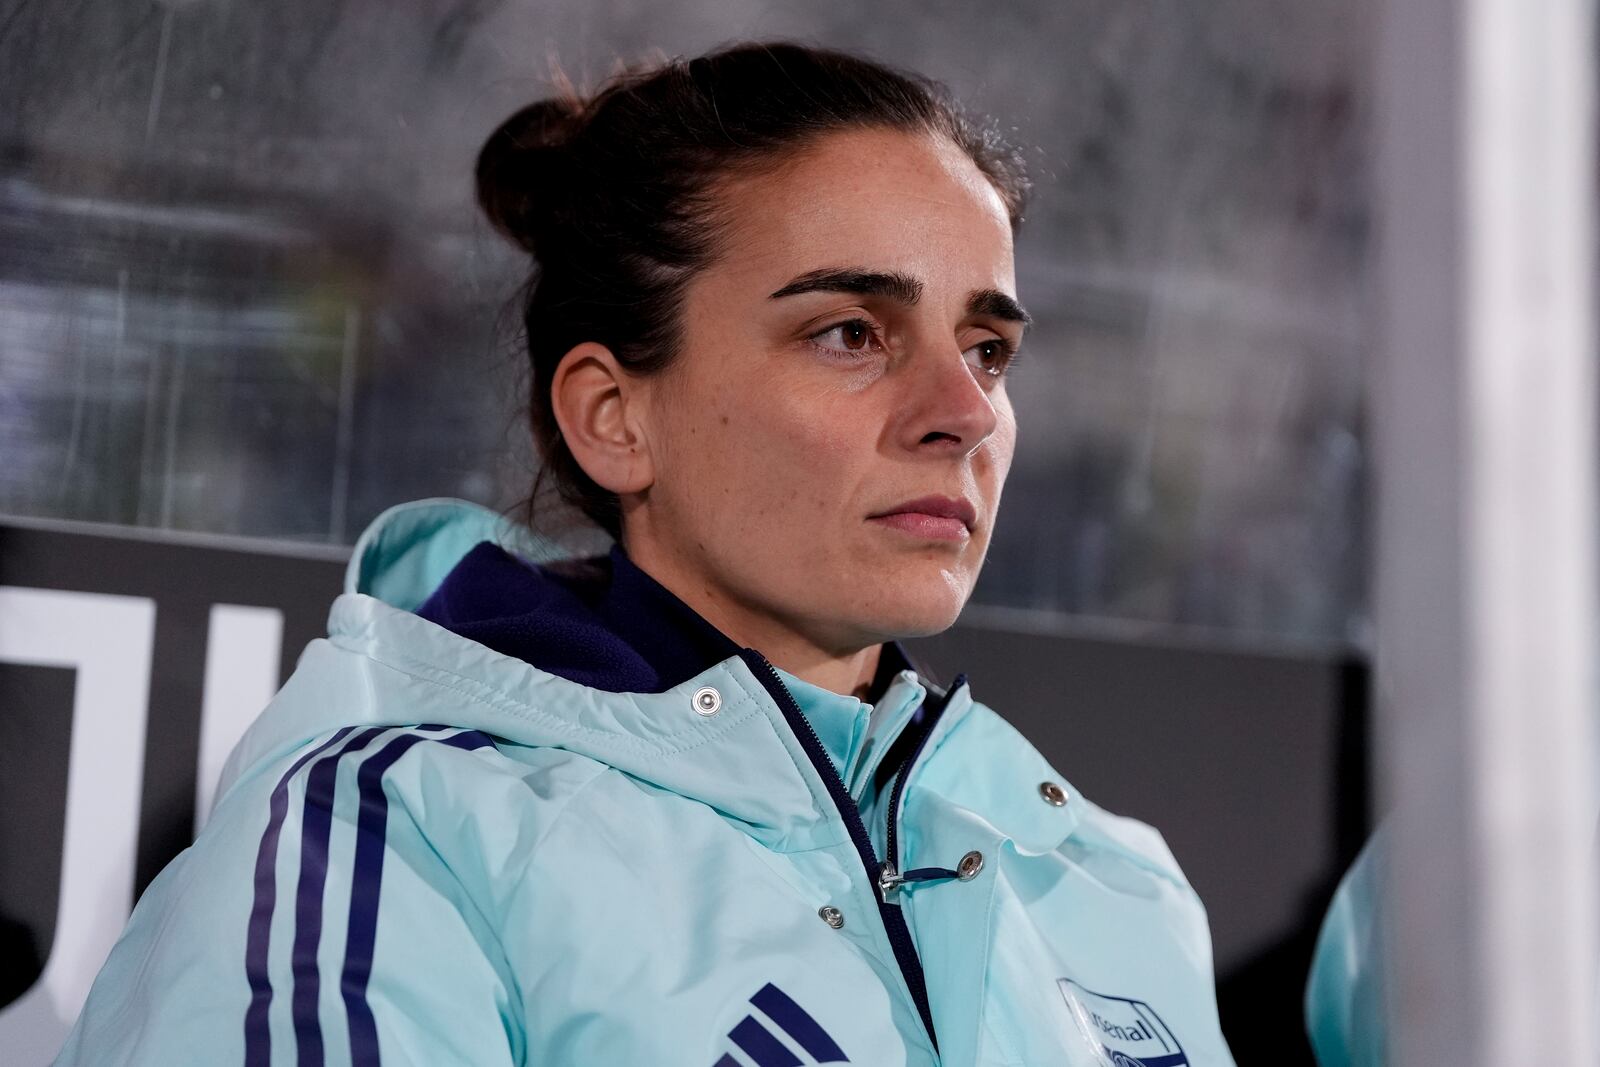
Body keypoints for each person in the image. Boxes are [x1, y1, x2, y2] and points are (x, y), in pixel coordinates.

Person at [56, 41, 1236, 1066]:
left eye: (986, 346)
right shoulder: (389, 834)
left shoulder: (1105, 877)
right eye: (849, 332)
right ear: (613, 416)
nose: (962, 411)